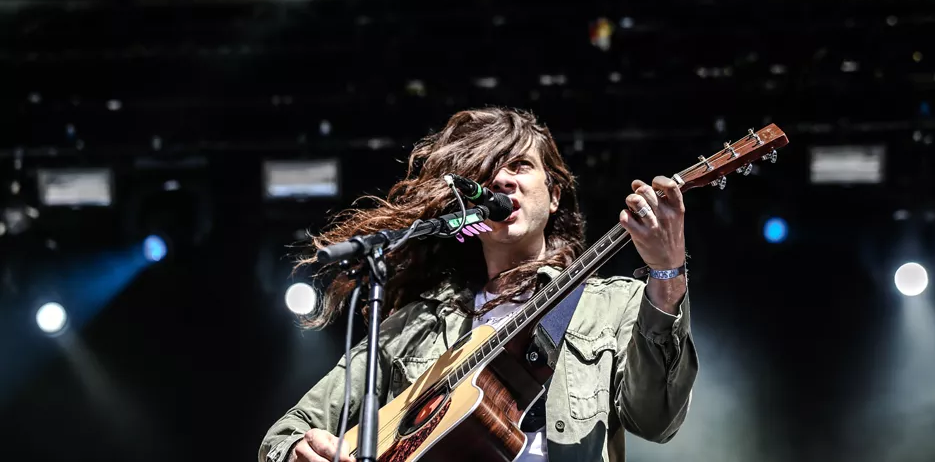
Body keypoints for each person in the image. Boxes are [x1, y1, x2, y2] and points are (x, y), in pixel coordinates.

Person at [259, 107, 698, 462]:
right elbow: (287, 432)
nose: (502, 180)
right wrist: (297, 450)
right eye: (485, 173)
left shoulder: (610, 304)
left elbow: (656, 420)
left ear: (555, 194)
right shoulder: (415, 324)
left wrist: (667, 274)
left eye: (520, 165)